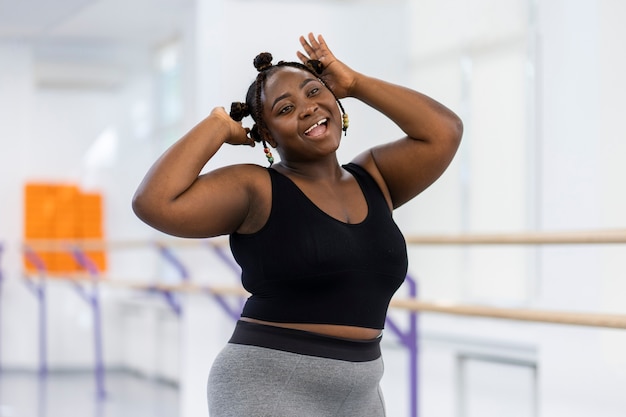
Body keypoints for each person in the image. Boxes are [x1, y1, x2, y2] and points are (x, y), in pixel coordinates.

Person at [132, 33, 462, 417]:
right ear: (268, 134)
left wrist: (355, 83)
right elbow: (153, 202)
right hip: (268, 385)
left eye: (314, 92)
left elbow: (444, 132)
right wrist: (218, 127)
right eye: (286, 109)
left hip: (361, 391)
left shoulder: (376, 178)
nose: (307, 109)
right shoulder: (257, 188)